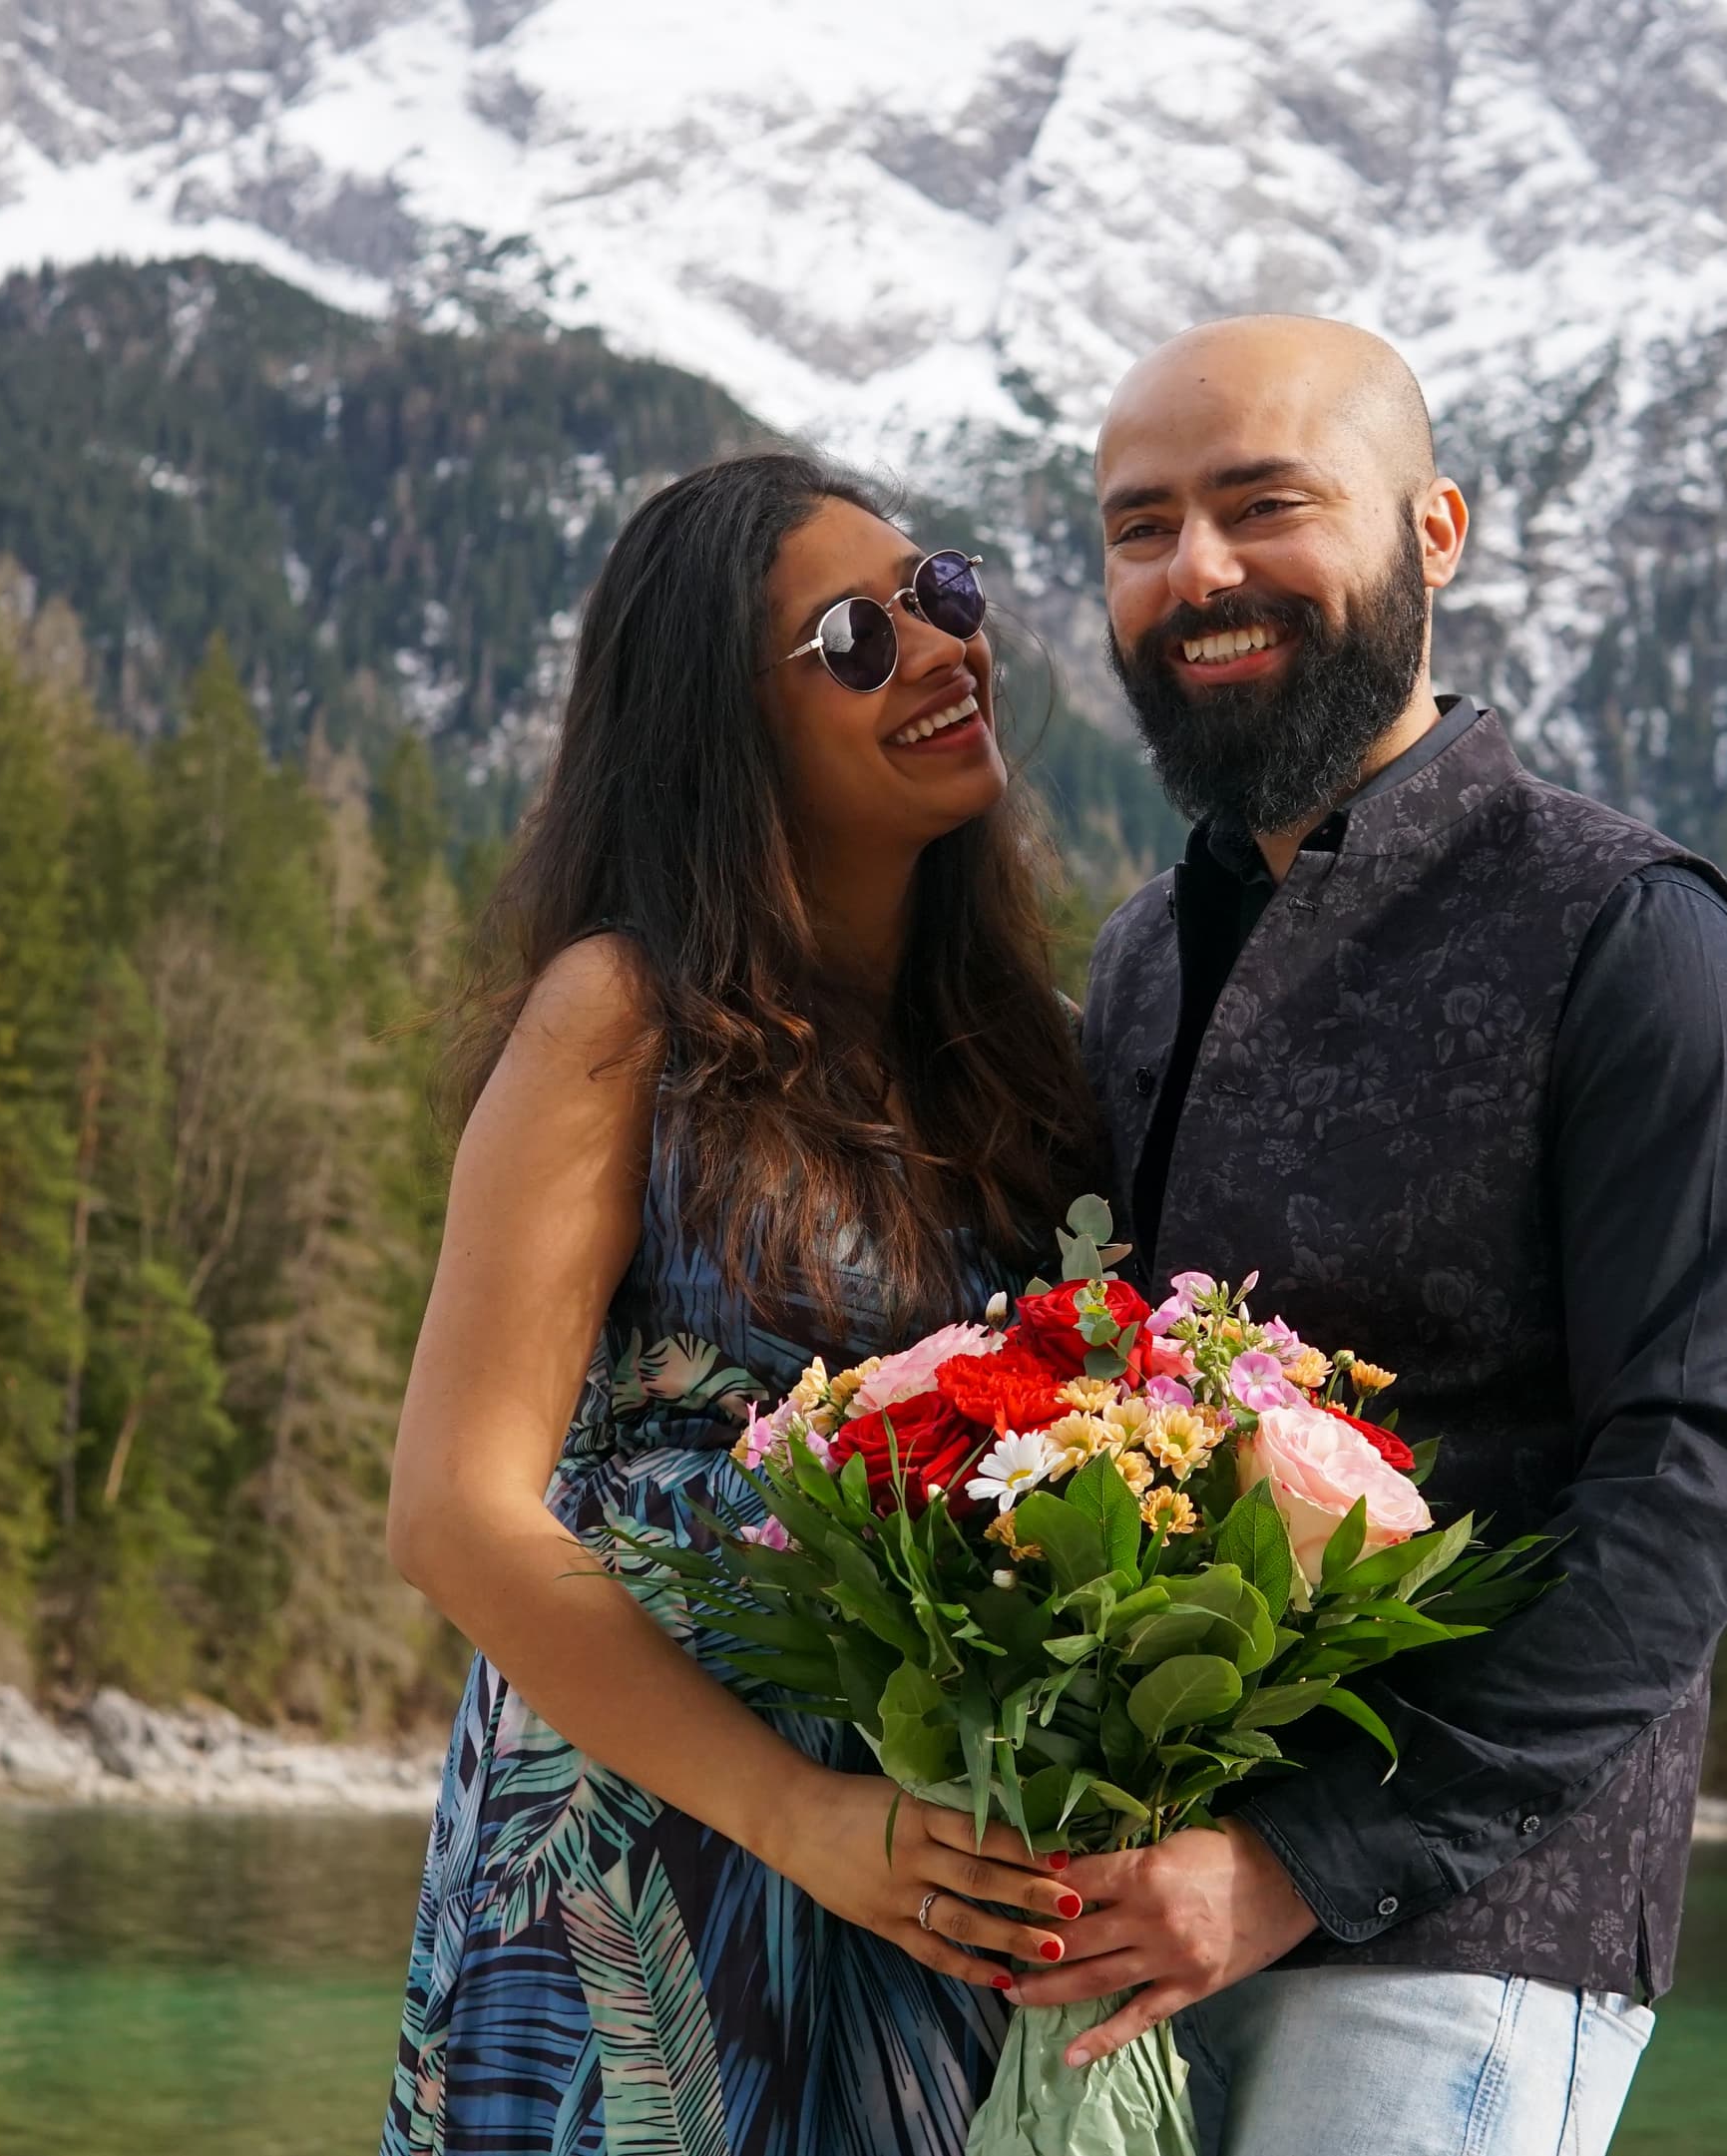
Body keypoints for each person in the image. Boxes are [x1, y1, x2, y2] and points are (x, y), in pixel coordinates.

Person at [1020, 317, 1727, 2153]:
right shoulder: (1144, 955)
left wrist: (1307, 1861)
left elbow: (1691, 1486)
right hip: (1146, 1913)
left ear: (1437, 527)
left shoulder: (1638, 939)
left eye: (1263, 503)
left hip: (1471, 1934)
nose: (1197, 570)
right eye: (1141, 529)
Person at [377, 451, 1105, 2156]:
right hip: (646, 1871)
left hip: (931, 1883)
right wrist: (802, 1814)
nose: (939, 647)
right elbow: (454, 1511)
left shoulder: (1029, 1062)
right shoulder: (622, 1016)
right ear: (721, 728)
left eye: (946, 593)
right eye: (857, 636)